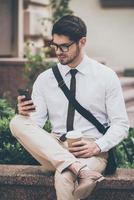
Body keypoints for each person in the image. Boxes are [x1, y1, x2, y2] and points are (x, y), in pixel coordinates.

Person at [10, 15, 129, 200]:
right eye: (55, 45)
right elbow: (35, 124)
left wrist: (97, 146)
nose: (58, 52)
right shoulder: (45, 79)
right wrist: (25, 113)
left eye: (64, 46)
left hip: (90, 151)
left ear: (82, 42)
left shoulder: (106, 77)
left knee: (64, 176)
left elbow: (121, 124)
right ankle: (78, 169)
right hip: (54, 147)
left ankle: (76, 168)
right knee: (17, 122)